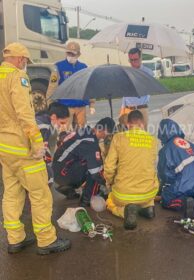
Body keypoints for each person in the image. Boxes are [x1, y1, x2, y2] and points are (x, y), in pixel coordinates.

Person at [0, 42, 70, 255]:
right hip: (23, 148)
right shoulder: (17, 78)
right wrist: (37, 143)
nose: (25, 66)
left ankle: (15, 239)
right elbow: (25, 114)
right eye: (25, 62)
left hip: (5, 147)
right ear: (21, 59)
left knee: (11, 193)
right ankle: (46, 240)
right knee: (40, 193)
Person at [105, 110, 159, 230]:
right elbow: (152, 166)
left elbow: (109, 167)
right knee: (149, 175)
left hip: (123, 195)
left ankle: (124, 211)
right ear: (143, 124)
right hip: (149, 193)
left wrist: (109, 182)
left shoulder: (118, 138)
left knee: (110, 200)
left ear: (128, 124)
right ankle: (148, 208)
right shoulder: (153, 140)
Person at [157, 119, 194, 219]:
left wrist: (163, 189)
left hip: (186, 182)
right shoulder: (190, 144)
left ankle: (183, 203)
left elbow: (164, 175)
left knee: (167, 199)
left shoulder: (166, 149)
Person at [53, 117, 116, 206]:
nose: (106, 137)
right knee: (96, 167)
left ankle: (67, 188)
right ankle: (87, 199)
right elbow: (95, 173)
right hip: (63, 174)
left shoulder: (84, 131)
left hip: (57, 171)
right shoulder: (90, 142)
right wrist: (108, 184)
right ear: (104, 130)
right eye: (108, 134)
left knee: (91, 161)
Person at [55, 41, 95, 128]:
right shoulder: (58, 66)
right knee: (64, 132)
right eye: (69, 53)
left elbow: (88, 86)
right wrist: (51, 105)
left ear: (78, 55)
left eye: (73, 54)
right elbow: (53, 86)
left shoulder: (83, 67)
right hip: (65, 106)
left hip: (81, 106)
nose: (71, 56)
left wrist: (91, 104)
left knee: (81, 132)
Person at [119, 48, 154, 130]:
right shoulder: (127, 73)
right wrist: (122, 108)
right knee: (128, 137)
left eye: (135, 59)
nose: (133, 62)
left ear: (141, 58)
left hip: (141, 109)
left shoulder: (147, 73)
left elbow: (149, 89)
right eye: (131, 60)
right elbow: (125, 94)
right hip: (128, 109)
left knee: (142, 138)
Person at [35, 102, 70, 186]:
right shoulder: (43, 127)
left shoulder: (41, 117)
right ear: (54, 117)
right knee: (48, 180)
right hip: (26, 159)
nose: (63, 126)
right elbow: (41, 152)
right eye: (62, 123)